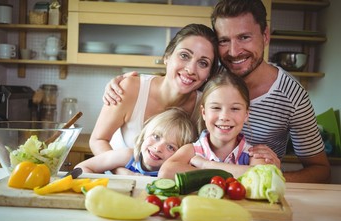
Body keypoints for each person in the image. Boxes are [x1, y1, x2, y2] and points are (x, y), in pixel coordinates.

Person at [102, 0, 330, 183]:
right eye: (224, 40)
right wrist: (124, 82)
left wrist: (270, 178)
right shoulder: (211, 81)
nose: (234, 51)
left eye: (244, 37)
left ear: (266, 36)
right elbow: (177, 75)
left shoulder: (292, 95)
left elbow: (320, 170)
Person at [89, 24, 219, 163]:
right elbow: (98, 140)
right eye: (184, 55)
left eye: (203, 63)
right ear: (167, 56)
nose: (191, 69)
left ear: (209, 74)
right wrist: (122, 172)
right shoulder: (130, 88)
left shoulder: (204, 109)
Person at [158, 72, 279, 179]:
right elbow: (166, 172)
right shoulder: (192, 150)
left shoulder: (252, 153)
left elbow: (264, 176)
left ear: (246, 114)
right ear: (204, 112)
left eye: (235, 108)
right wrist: (238, 173)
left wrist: (207, 166)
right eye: (216, 107)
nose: (224, 116)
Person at [76, 108, 197, 176]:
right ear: (144, 133)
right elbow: (81, 168)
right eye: (156, 136)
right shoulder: (127, 157)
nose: (158, 148)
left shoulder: (172, 174)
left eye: (171, 147)